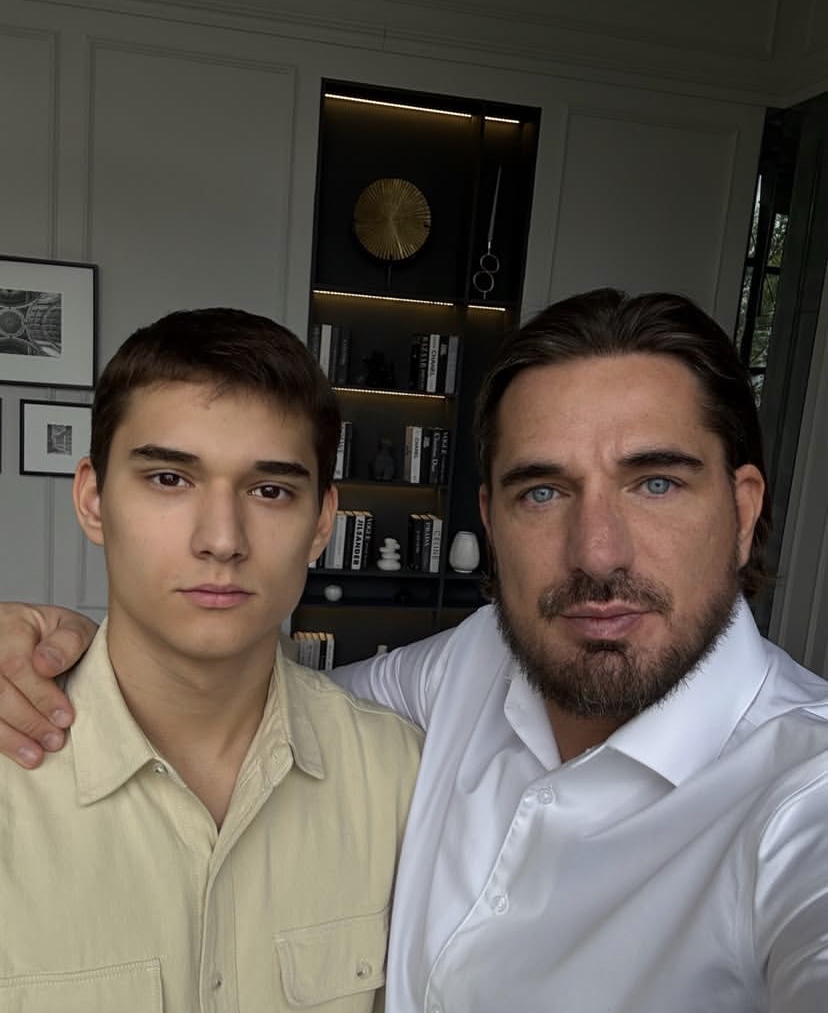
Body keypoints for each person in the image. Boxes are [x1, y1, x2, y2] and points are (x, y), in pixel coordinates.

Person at [2, 288, 828, 1012]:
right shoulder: (465, 672)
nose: (598, 552)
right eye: (543, 490)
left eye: (656, 482)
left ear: (744, 509)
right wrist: (44, 644)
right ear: (491, 519)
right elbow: (248, 688)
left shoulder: (803, 796)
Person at [0, 308, 421, 1011]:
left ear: (322, 522)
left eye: (270, 490)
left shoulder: (400, 778)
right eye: (169, 478)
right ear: (94, 500)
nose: (222, 539)